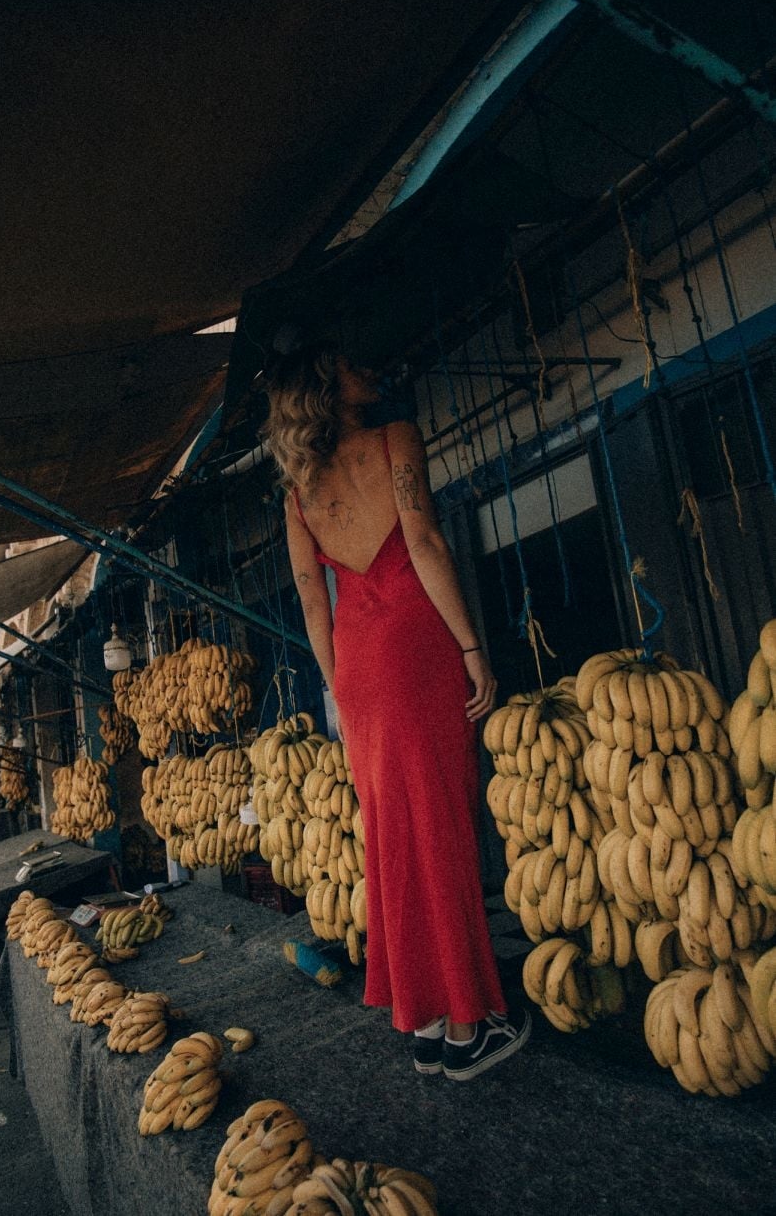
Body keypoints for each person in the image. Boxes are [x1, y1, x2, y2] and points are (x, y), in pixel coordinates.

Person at [263, 340, 530, 1081]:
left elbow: (313, 605)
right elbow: (422, 540)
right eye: (351, 357)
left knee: (394, 837)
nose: (367, 363)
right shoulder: (395, 438)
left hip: (357, 666)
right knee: (440, 824)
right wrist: (471, 645)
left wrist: (340, 690)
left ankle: (428, 1023)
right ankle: (470, 1026)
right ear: (328, 380)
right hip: (416, 642)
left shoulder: (298, 492)